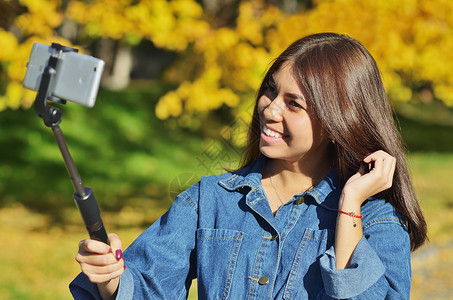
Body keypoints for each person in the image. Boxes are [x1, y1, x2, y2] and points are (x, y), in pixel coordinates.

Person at [70, 32, 427, 299]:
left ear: (339, 121)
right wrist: (112, 279)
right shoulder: (208, 201)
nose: (269, 110)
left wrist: (350, 207)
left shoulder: (376, 219)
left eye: (294, 104)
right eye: (271, 92)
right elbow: (147, 285)